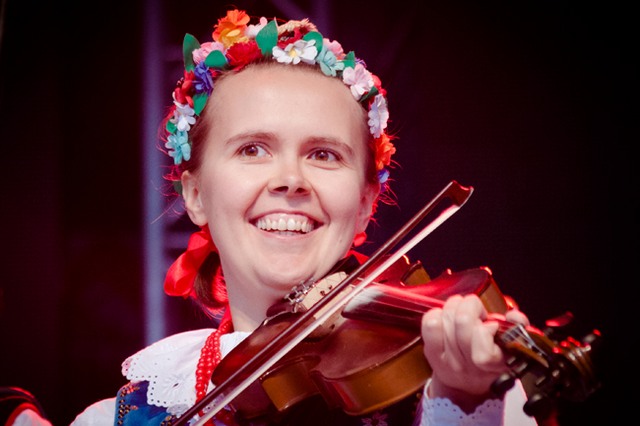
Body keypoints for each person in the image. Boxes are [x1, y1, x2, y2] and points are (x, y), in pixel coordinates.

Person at [71, 9, 538, 425]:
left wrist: (462, 402)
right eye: (252, 149)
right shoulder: (123, 415)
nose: (290, 179)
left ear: (365, 203)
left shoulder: (465, 394)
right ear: (195, 195)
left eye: (324, 154)